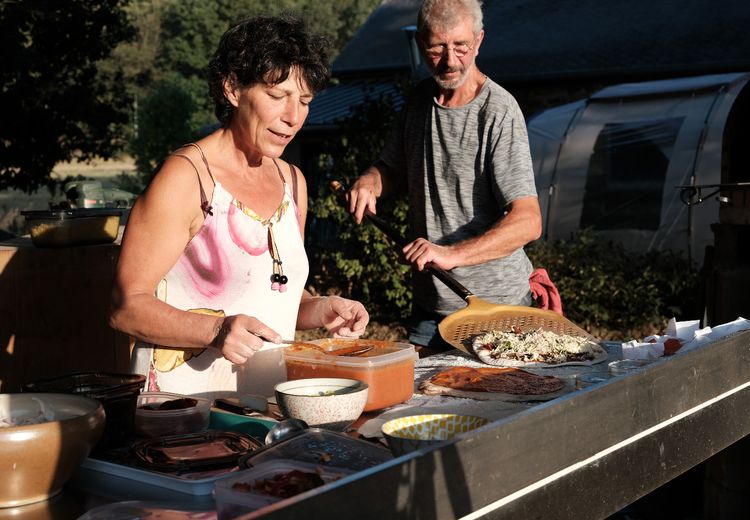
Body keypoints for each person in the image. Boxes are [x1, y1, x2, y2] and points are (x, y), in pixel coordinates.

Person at [110, 15, 369, 398]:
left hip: (267, 406)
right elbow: (125, 306)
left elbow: (274, 298)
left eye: (305, 101)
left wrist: (324, 308)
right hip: (183, 415)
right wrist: (215, 331)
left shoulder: (292, 182)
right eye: (277, 96)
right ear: (232, 88)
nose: (293, 117)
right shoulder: (186, 177)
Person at [347, 0, 541, 350]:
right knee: (420, 401)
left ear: (479, 41)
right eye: (437, 48)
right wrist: (370, 181)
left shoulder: (498, 111)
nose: (450, 61)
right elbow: (392, 170)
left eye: (461, 47)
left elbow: (528, 221)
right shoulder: (419, 102)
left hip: (496, 307)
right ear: (421, 44)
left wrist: (450, 254)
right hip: (430, 304)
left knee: (498, 403)